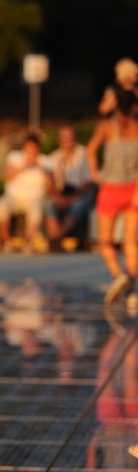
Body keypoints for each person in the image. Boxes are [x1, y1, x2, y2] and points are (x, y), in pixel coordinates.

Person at [87, 88, 138, 308]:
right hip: (133, 190)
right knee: (131, 243)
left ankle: (119, 276)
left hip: (110, 188)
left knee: (105, 241)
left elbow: (90, 151)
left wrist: (96, 175)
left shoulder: (107, 126)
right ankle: (132, 292)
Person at [0, 134, 53, 252]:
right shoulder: (14, 157)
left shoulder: (45, 161)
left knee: (36, 210)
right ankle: (6, 242)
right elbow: (6, 177)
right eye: (28, 147)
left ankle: (28, 243)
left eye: (33, 147)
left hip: (35, 198)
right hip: (13, 196)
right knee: (0, 206)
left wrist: (41, 168)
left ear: (38, 148)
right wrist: (24, 166)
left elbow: (51, 186)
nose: (31, 150)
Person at [44, 126, 96, 244]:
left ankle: (57, 238)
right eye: (64, 138)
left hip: (80, 193)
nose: (67, 141)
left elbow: (88, 182)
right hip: (61, 193)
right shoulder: (54, 157)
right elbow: (50, 182)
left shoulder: (84, 155)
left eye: (69, 137)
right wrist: (58, 197)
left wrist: (70, 198)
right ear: (59, 141)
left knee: (78, 205)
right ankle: (55, 237)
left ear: (75, 139)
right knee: (48, 205)